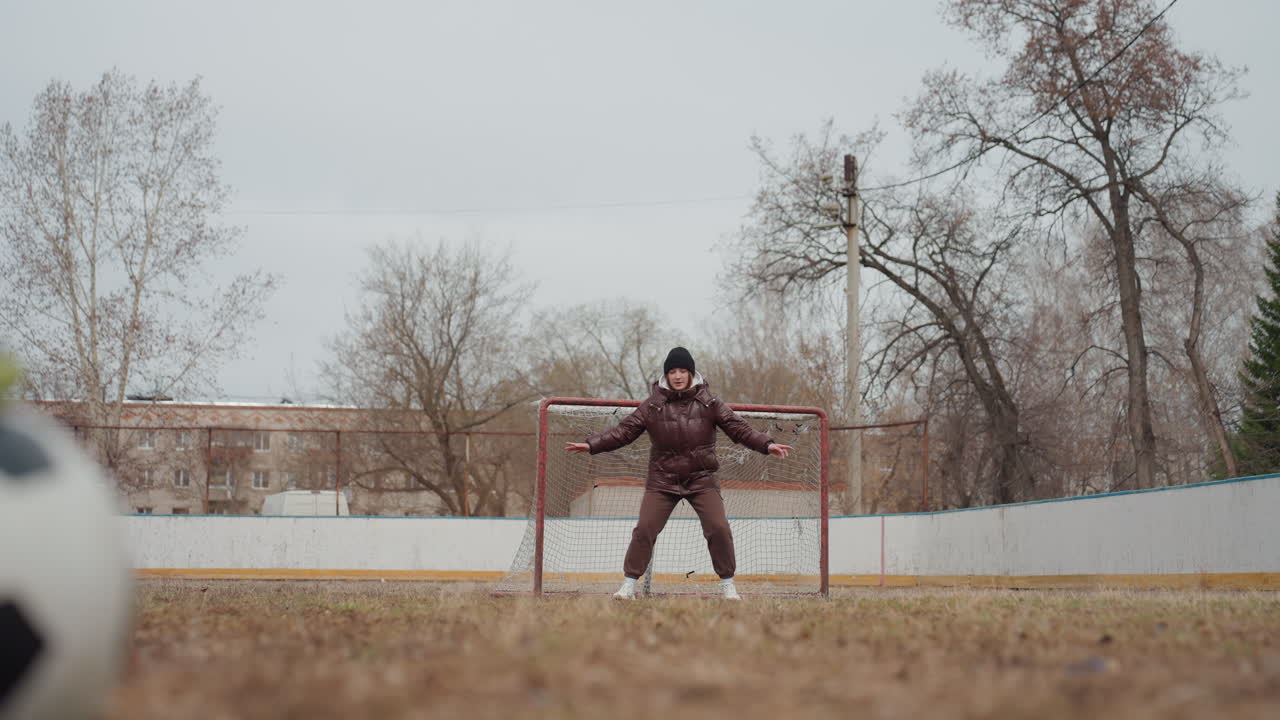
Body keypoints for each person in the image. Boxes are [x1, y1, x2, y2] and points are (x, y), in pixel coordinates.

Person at [565, 346, 794, 600]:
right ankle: (628, 585)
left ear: (690, 372)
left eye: (682, 370)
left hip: (702, 479)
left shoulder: (710, 402)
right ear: (666, 375)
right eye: (672, 371)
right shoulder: (653, 405)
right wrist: (592, 444)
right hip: (662, 480)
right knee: (644, 529)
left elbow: (738, 428)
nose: (677, 375)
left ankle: (727, 585)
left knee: (718, 528)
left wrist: (766, 443)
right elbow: (624, 431)